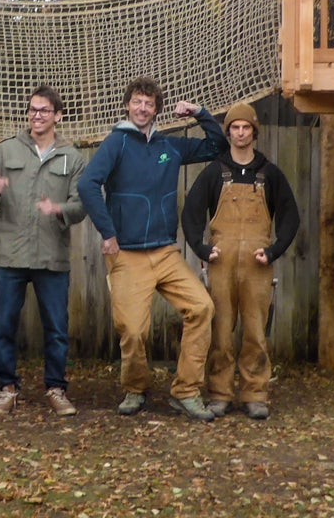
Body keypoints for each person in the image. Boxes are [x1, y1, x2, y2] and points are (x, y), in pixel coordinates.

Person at [76, 77, 226, 421]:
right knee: (133, 330)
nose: (143, 108)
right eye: (137, 102)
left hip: (165, 253)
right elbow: (88, 185)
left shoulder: (169, 147)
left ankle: (186, 391)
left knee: (202, 307)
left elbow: (216, 146)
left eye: (149, 103)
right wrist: (108, 233)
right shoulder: (117, 143)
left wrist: (200, 112)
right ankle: (136, 388)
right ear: (127, 105)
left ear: (157, 110)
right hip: (127, 254)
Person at [181, 103, 301, 420]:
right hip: (221, 262)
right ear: (229, 132)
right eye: (235, 128)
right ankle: (219, 394)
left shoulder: (270, 174)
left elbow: (290, 217)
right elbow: (191, 213)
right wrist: (203, 250)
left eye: (246, 128)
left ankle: (255, 394)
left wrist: (273, 251)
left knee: (255, 332)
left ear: (254, 132)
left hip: (257, 264)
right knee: (220, 332)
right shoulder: (214, 172)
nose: (241, 133)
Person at [0, 85, 85, 416]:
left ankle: (56, 389)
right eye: (33, 110)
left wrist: (59, 209)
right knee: (5, 324)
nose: (37, 115)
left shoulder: (73, 157)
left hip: (51, 256)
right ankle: (6, 389)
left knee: (56, 327)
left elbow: (81, 206)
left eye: (44, 111)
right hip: (9, 254)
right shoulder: (5, 150)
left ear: (58, 115)